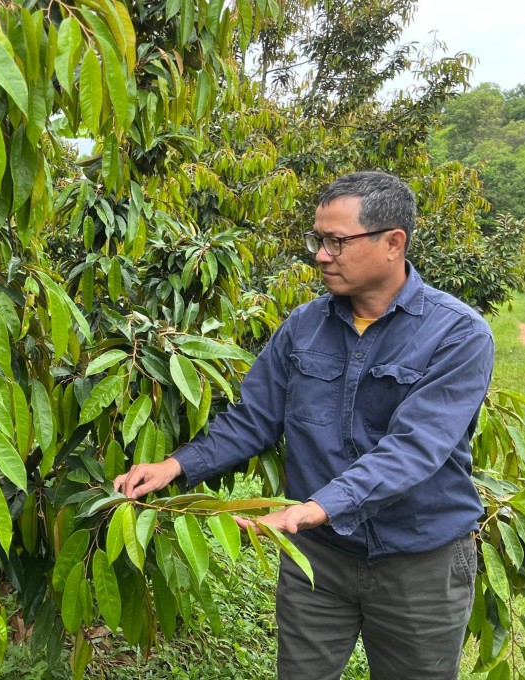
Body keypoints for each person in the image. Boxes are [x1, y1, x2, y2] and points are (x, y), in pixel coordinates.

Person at [114, 171, 493, 680]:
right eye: (318, 240)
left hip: (419, 561)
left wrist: (314, 509)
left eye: (337, 242)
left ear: (393, 243)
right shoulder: (304, 325)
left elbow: (414, 449)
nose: (320, 255)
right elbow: (254, 418)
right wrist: (176, 465)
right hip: (319, 558)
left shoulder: (459, 334)